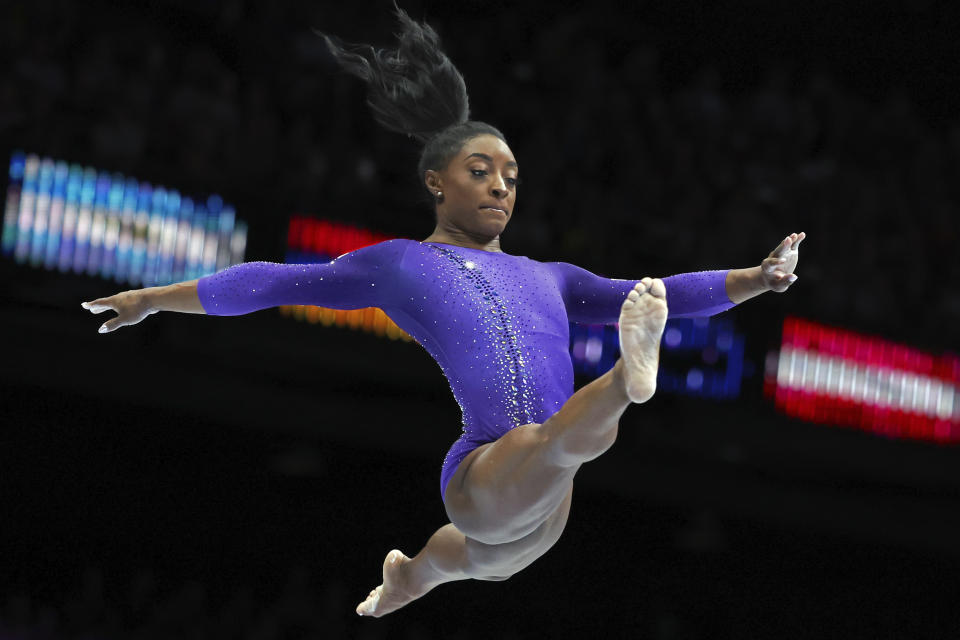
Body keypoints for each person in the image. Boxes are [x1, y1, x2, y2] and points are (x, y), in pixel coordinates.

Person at [82, 7, 805, 617]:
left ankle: (409, 577)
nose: (501, 187)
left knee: (485, 561)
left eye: (512, 178)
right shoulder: (400, 264)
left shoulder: (549, 276)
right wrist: (151, 298)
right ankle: (626, 379)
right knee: (559, 447)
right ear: (436, 181)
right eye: (480, 171)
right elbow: (271, 282)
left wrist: (759, 278)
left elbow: (671, 295)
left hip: (544, 509)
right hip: (485, 470)